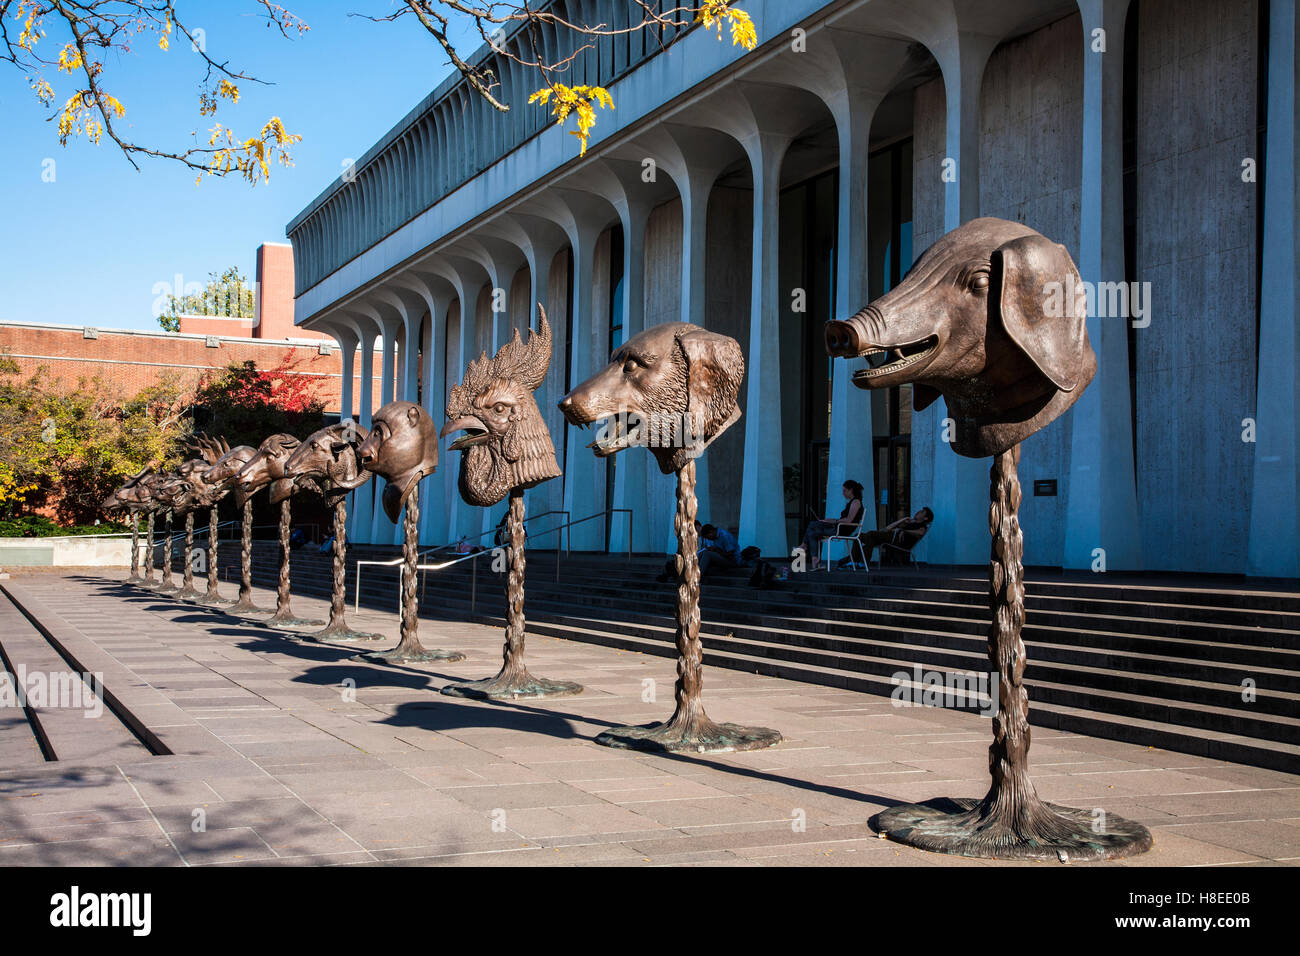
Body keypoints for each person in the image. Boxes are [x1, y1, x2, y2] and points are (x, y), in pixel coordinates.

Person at [801, 480, 865, 570]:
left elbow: (849, 520)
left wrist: (833, 521)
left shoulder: (856, 502)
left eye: (845, 491)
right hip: (839, 527)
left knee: (812, 525)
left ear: (851, 490)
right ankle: (814, 558)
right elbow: (844, 519)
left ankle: (804, 545)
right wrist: (830, 520)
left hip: (842, 530)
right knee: (812, 533)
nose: (843, 493)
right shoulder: (851, 502)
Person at [858, 507, 934, 564]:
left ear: (925, 518)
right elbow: (887, 528)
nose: (918, 512)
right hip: (890, 537)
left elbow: (920, 533)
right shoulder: (910, 523)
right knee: (861, 537)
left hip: (895, 541)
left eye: (922, 512)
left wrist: (904, 531)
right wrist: (903, 519)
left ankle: (861, 563)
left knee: (871, 534)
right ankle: (855, 562)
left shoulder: (922, 526)